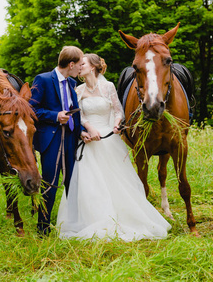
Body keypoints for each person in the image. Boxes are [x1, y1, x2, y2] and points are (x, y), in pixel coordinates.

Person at [56, 53, 171, 241]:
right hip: (89, 140)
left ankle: (124, 216)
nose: (79, 66)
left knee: (116, 180)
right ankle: (92, 219)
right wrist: (88, 128)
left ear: (92, 67)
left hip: (109, 139)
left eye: (82, 63)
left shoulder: (108, 87)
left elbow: (117, 110)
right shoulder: (77, 90)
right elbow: (79, 116)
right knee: (89, 182)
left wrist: (117, 123)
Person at [30, 46, 90, 236]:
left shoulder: (72, 83)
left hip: (71, 139)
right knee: (50, 184)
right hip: (51, 140)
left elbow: (74, 110)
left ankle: (72, 225)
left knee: (72, 182)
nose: (81, 68)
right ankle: (43, 228)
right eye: (80, 64)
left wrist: (81, 131)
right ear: (71, 64)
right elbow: (31, 110)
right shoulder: (43, 79)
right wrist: (55, 116)